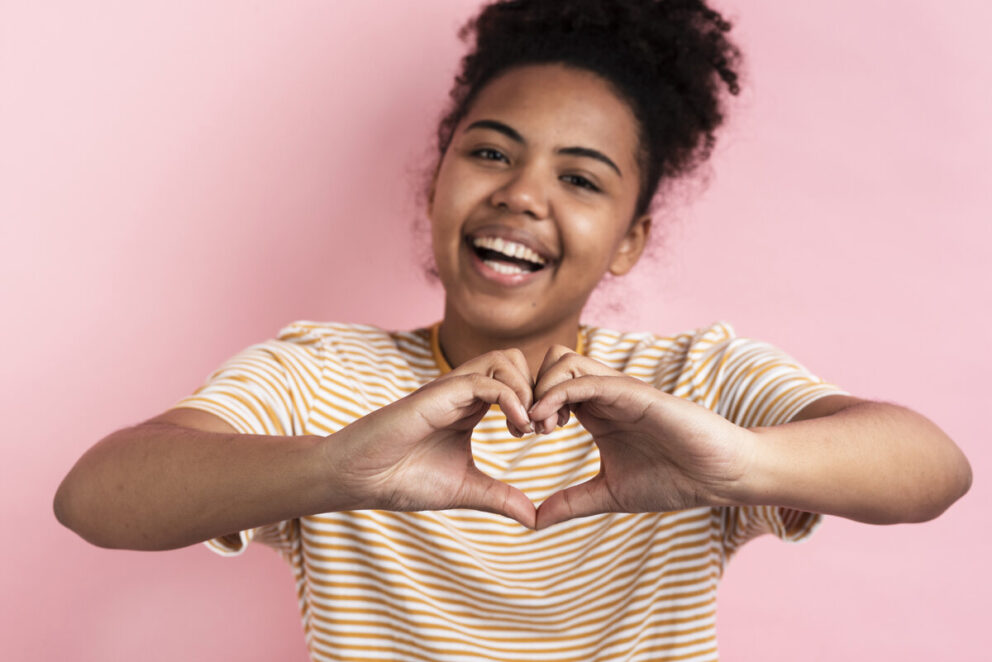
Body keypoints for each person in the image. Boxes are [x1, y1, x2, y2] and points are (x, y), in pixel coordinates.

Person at [53, 0, 972, 660]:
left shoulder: (697, 383)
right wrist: (337, 467)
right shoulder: (321, 375)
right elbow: (95, 498)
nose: (521, 195)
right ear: (437, 176)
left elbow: (932, 468)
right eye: (490, 152)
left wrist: (738, 465)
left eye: (581, 179)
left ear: (628, 239)